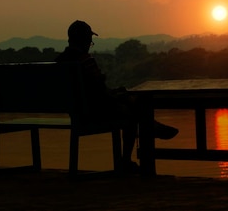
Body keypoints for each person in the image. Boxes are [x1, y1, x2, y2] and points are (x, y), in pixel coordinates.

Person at [56, 19, 178, 173]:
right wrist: (118, 95)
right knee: (131, 110)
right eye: (89, 40)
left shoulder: (59, 62)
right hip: (94, 111)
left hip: (78, 112)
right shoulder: (84, 61)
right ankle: (128, 157)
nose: (90, 44)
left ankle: (150, 126)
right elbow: (100, 92)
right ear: (84, 40)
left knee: (127, 100)